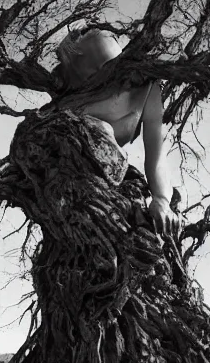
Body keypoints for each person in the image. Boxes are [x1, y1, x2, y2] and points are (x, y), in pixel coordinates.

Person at [53, 25, 183, 238]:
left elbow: (157, 152)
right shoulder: (70, 104)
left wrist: (161, 199)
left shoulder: (148, 87)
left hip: (112, 183)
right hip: (72, 179)